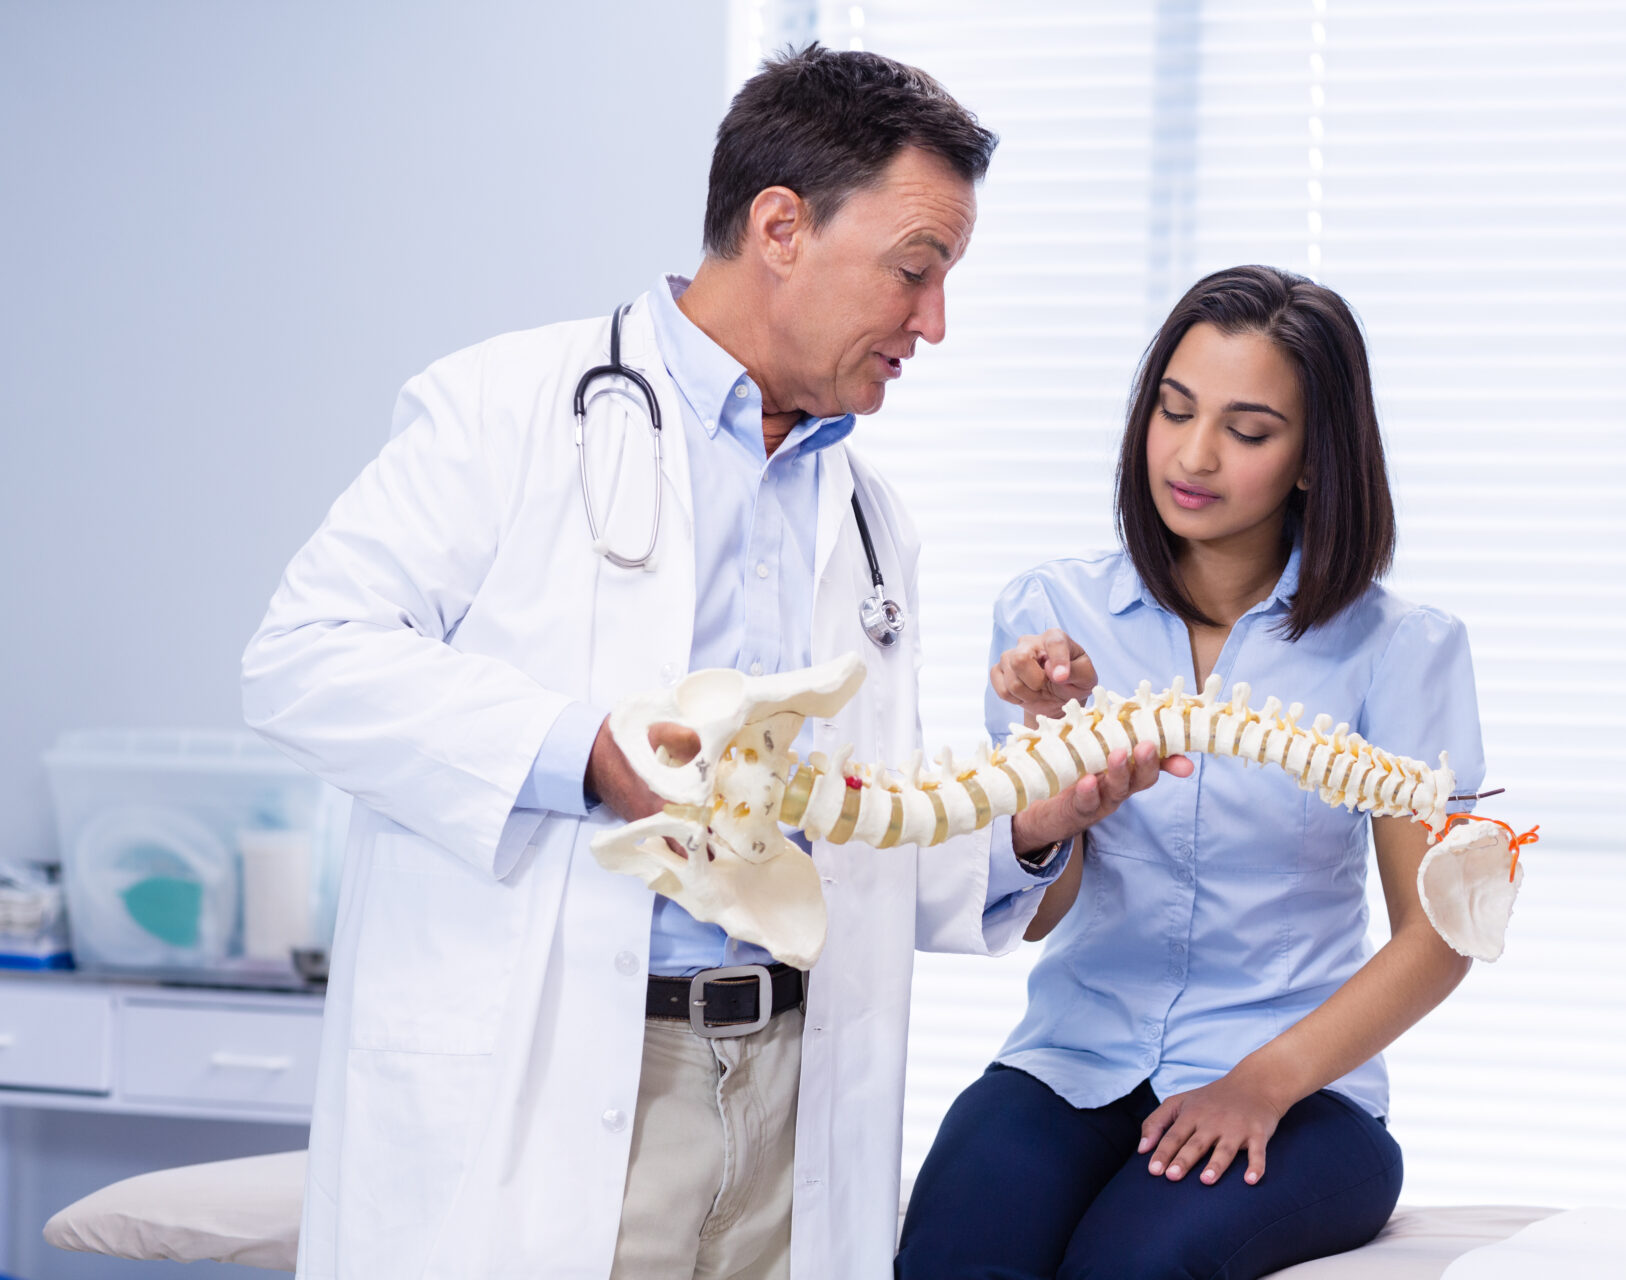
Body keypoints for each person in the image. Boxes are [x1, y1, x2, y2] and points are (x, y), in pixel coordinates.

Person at [241, 46, 1175, 1280]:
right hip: (575, 1069)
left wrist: (1027, 823)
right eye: (915, 270)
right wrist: (586, 751)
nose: (934, 323)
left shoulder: (868, 515)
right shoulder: (508, 410)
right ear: (781, 226)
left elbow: (853, 816)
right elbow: (304, 657)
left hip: (795, 1089)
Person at [895, 265, 1488, 1280]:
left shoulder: (1402, 650)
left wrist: (1265, 1080)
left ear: (1312, 458)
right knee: (951, 1256)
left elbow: (1441, 931)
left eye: (1248, 430)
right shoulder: (1053, 618)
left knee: (1126, 1269)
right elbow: (1037, 911)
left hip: (1306, 1091)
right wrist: (1054, 787)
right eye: (1174, 410)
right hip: (1071, 1056)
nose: (1194, 453)